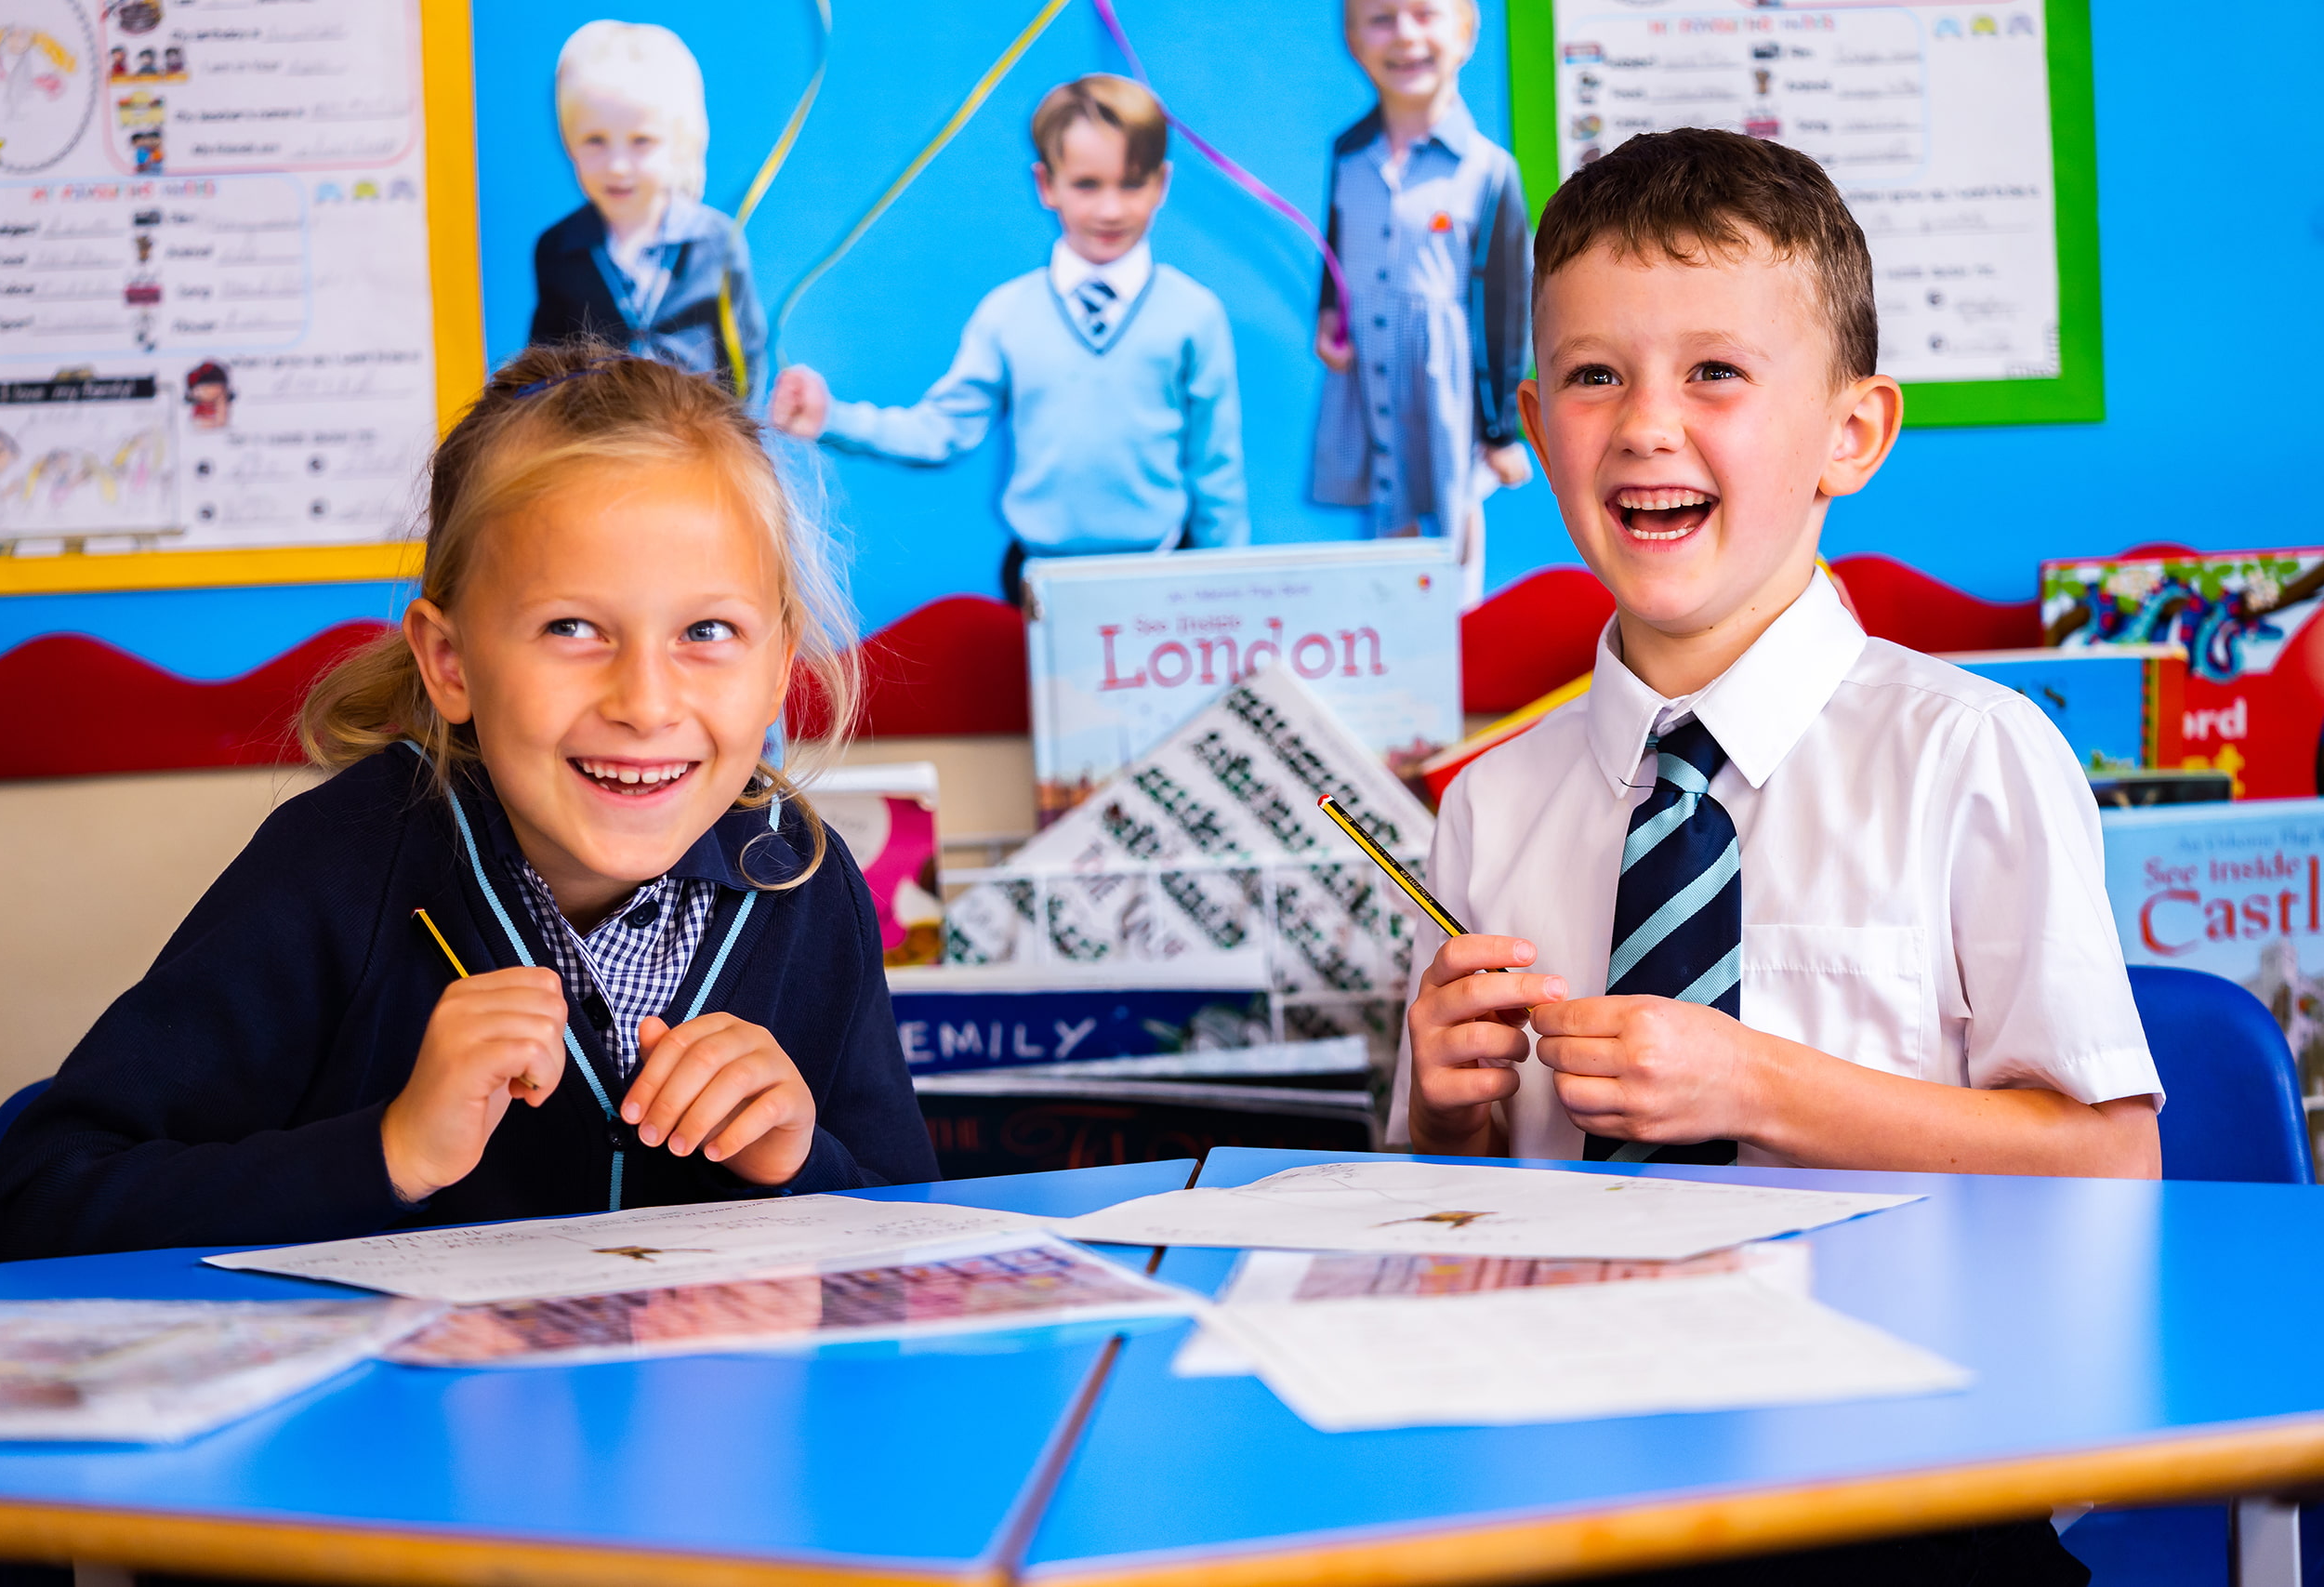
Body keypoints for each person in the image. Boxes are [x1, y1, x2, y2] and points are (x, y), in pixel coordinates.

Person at [1395, 129, 2156, 1586]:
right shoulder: (1491, 805)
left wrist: (1753, 1083)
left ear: (1852, 437)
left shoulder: (1971, 755)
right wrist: (1445, 1110)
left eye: (1717, 375)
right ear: (1533, 421)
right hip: (1563, 1476)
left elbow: (2112, 1163)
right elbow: (1443, 1217)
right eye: (1594, 375)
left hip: (1916, 1484)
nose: (1645, 427)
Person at [0, 344, 935, 1266]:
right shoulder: (339, 866)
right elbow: (37, 1201)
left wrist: (803, 1161)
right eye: (571, 627)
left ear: (775, 670)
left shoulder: (802, 881)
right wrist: (388, 1152)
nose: (645, 703)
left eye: (708, 631)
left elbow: (912, 1239)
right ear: (449, 661)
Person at [771, 74, 1246, 606]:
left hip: (1162, 578)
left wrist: (1225, 594)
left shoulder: (1194, 314)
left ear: (1161, 183)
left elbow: (1216, 470)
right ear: (1047, 185)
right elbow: (942, 431)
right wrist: (832, 418)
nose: (1110, 209)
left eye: (1131, 183)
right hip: (1039, 586)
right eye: (1087, 184)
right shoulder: (1007, 314)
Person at [1311, 0, 1532, 608]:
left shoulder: (1489, 170)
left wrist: (1498, 427)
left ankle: (1461, 623)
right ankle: (1392, 624)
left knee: (1452, 497)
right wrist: (1330, 315)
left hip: (1447, 378)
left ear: (1464, 33)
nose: (1405, 35)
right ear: (1354, 39)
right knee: (1389, 491)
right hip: (1372, 364)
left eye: (1424, 14)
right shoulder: (1348, 154)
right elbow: (1335, 243)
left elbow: (1507, 303)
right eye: (1381, 18)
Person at [529, 21, 768, 401]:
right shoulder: (557, 249)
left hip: (694, 444)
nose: (618, 166)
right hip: (597, 441)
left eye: (642, 141)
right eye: (595, 140)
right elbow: (543, 362)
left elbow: (747, 356)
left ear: (681, 142)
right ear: (569, 140)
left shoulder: (717, 242)